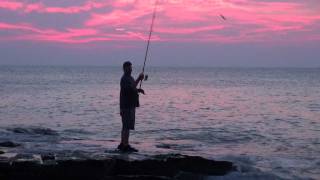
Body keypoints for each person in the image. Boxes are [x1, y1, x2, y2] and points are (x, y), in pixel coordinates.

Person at [118, 61, 145, 152]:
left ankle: (123, 144)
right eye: (129, 68)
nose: (130, 69)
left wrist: (138, 90)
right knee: (126, 126)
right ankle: (125, 145)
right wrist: (139, 78)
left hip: (130, 105)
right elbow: (128, 89)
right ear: (124, 68)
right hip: (126, 106)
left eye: (131, 68)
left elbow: (133, 88)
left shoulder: (130, 78)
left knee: (126, 126)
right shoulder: (124, 79)